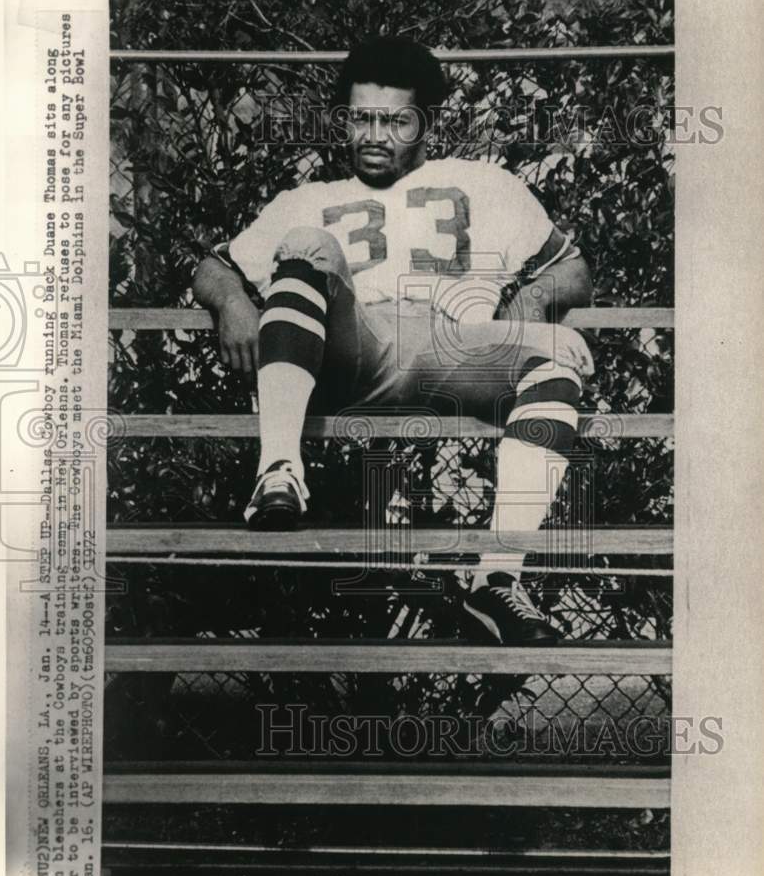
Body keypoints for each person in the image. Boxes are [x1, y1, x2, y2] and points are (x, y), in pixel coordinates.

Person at [193, 36, 594, 647]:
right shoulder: (308, 199)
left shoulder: (482, 183)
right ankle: (279, 474)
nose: (375, 134)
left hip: (455, 342)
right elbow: (213, 267)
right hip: (356, 347)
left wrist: (531, 303)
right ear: (343, 120)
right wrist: (231, 300)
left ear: (424, 122)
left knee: (556, 360)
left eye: (395, 119)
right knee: (306, 245)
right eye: (361, 118)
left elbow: (573, 270)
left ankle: (498, 577)